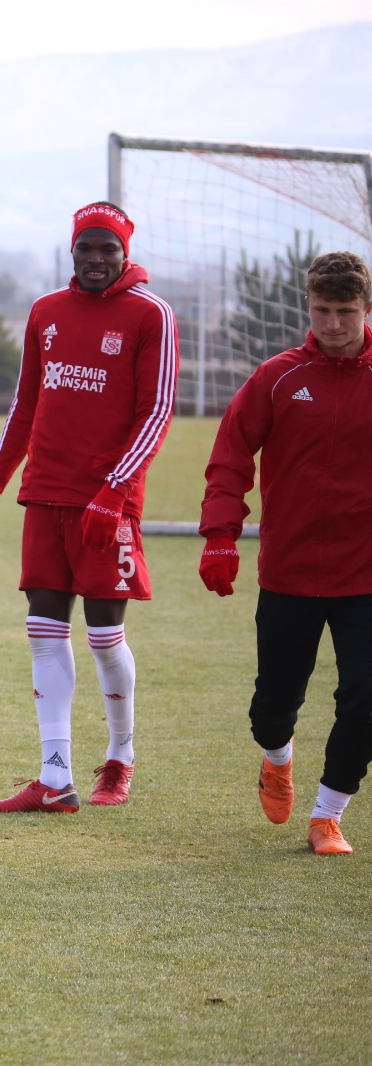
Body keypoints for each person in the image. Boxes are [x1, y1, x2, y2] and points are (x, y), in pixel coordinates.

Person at [0, 201, 178, 813]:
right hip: (46, 496)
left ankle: (120, 758)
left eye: (108, 249)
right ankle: (54, 778)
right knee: (44, 633)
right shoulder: (46, 312)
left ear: (126, 253)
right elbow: (24, 409)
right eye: (87, 247)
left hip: (107, 504)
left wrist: (114, 492)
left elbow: (157, 412)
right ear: (72, 251)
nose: (96, 259)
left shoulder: (151, 314)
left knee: (105, 637)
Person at [199, 251, 372, 856]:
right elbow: (229, 456)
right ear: (308, 306)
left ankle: (328, 815)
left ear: (366, 308)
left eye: (345, 311)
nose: (333, 324)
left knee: (365, 696)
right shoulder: (277, 377)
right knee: (271, 710)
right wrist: (221, 535)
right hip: (289, 572)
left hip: (365, 575)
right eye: (322, 310)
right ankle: (277, 758)